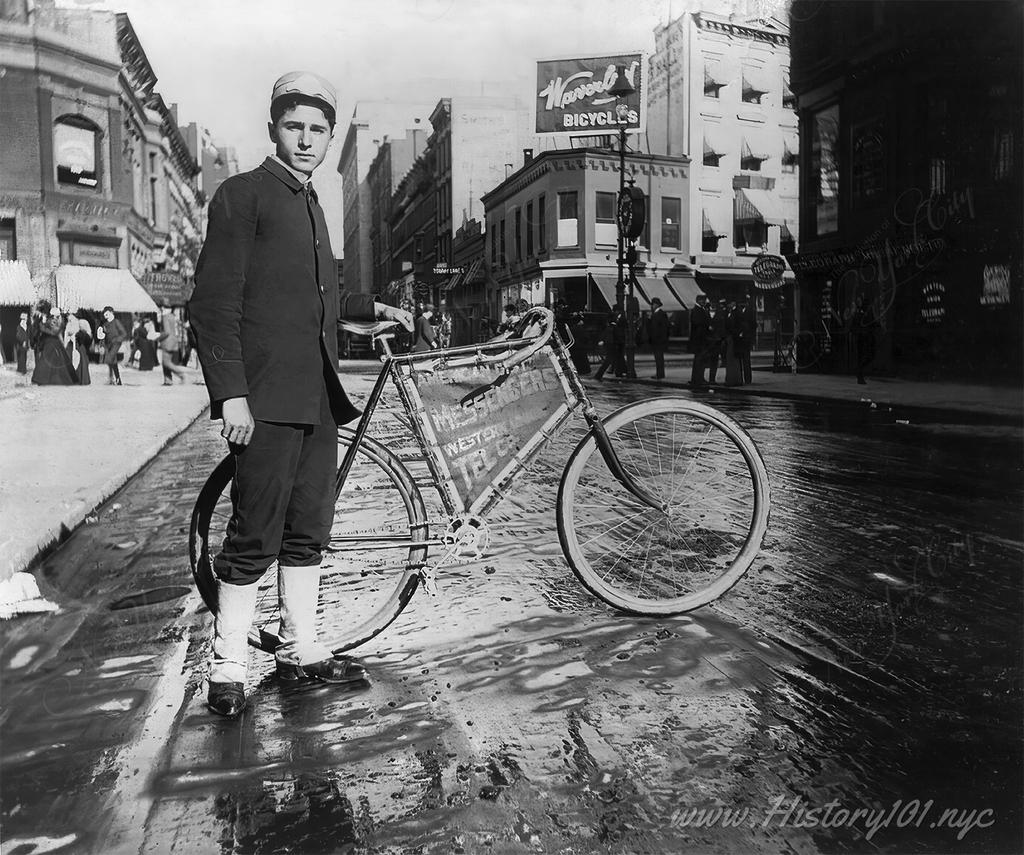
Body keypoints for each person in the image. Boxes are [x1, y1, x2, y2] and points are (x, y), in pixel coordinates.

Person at [188, 70, 413, 719]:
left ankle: (299, 645)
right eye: (296, 126)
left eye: (318, 129)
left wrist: (376, 306)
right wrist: (231, 395)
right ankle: (230, 660)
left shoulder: (314, 204)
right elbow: (213, 304)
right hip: (263, 400)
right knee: (253, 532)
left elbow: (317, 300)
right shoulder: (243, 195)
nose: (308, 139)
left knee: (309, 529)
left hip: (318, 398)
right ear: (274, 129)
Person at [30, 301, 77, 386]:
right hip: (50, 343)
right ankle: (43, 379)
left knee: (47, 361)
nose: (53, 317)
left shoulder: (59, 321)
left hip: (53, 343)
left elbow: (54, 332)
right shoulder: (52, 320)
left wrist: (42, 328)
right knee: (47, 361)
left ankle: (42, 379)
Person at [157, 304, 195, 385]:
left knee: (166, 363)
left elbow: (167, 332)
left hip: (167, 342)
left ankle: (182, 375)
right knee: (166, 361)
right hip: (173, 341)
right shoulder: (172, 317)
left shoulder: (165, 317)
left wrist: (158, 337)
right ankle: (168, 380)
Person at [594, 303, 626, 380]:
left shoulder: (611, 323)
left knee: (617, 357)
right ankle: (599, 375)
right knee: (609, 359)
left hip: (612, 343)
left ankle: (620, 372)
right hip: (613, 343)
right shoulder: (613, 324)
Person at [97, 306, 127, 385]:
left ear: (111, 313)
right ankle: (116, 379)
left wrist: (117, 340)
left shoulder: (116, 322)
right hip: (108, 344)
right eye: (104, 314)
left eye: (106, 313)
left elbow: (124, 334)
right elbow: (104, 336)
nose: (104, 315)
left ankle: (113, 377)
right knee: (112, 361)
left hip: (116, 344)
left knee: (109, 358)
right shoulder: (105, 324)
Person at [851, 296, 876, 385]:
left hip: (866, 336)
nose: (859, 302)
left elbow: (871, 323)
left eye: (860, 301)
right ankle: (859, 374)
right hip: (861, 337)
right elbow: (855, 325)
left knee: (870, 355)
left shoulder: (866, 312)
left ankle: (859, 372)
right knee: (861, 356)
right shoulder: (858, 313)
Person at [688, 294, 710, 387]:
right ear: (698, 301)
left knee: (700, 360)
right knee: (699, 360)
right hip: (699, 339)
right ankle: (698, 379)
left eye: (704, 300)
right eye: (702, 300)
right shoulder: (697, 310)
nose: (704, 302)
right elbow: (698, 324)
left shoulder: (701, 310)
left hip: (701, 339)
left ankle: (698, 378)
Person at [65, 310, 92, 386]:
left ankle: (81, 379)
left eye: (71, 319)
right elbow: (67, 335)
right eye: (69, 320)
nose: (70, 321)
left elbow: (86, 337)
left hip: (79, 346)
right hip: (71, 346)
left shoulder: (82, 324)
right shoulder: (69, 326)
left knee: (81, 362)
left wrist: (76, 337)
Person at [648, 297, 669, 380]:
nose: (652, 306)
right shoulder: (657, 314)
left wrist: (659, 338)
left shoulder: (660, 314)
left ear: (656, 305)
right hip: (658, 339)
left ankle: (660, 374)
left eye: (653, 304)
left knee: (659, 357)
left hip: (658, 340)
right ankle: (660, 373)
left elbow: (663, 328)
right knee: (658, 358)